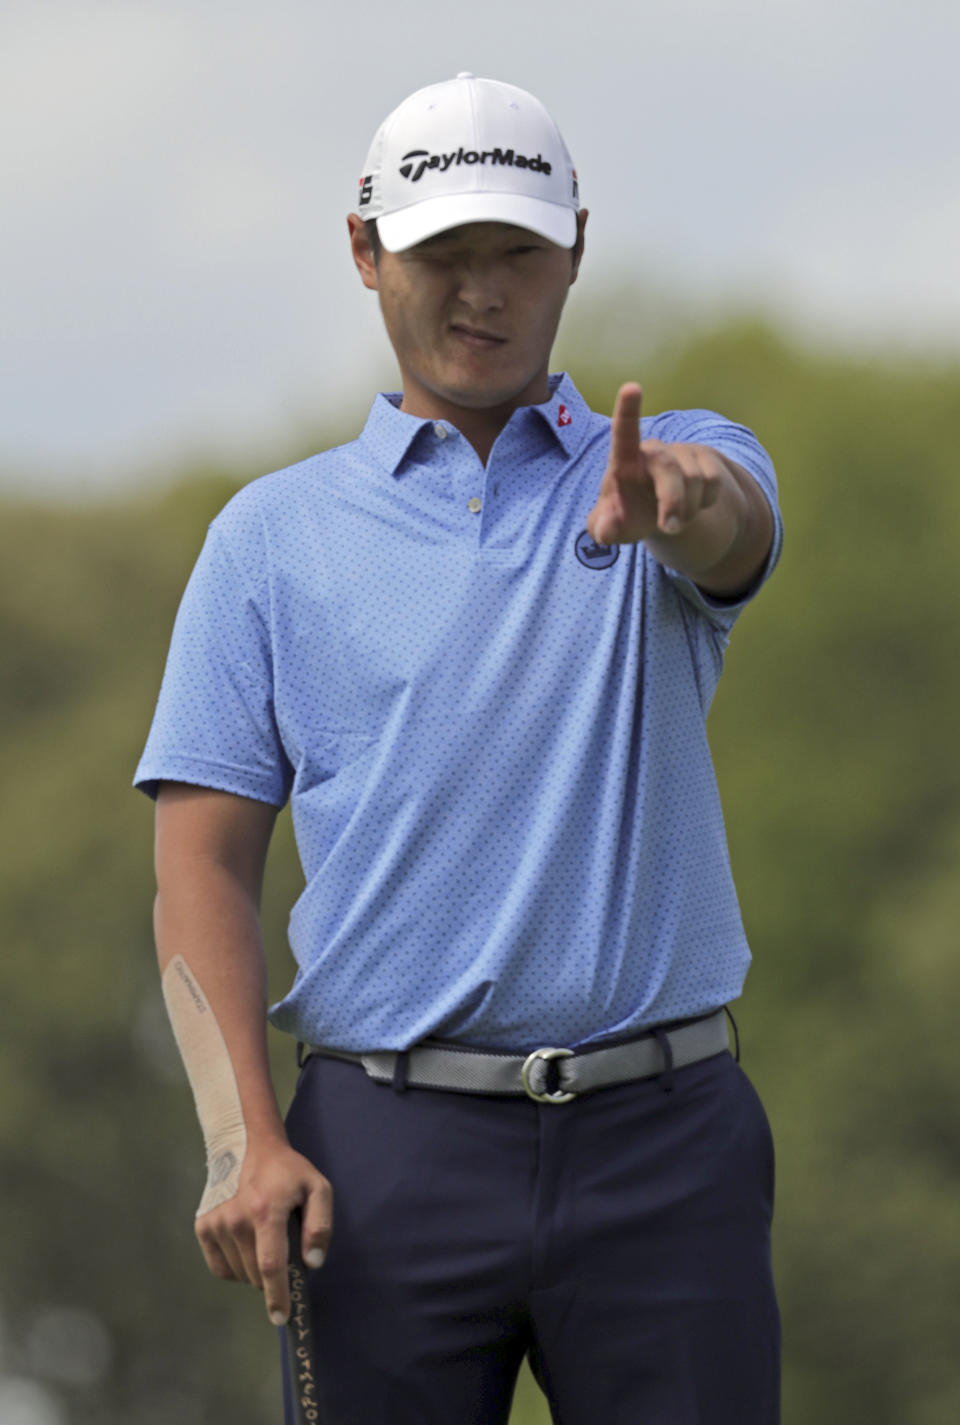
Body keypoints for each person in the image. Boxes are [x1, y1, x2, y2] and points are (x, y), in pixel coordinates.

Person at [135, 71, 783, 1425]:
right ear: (368, 252)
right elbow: (201, 865)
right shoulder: (271, 539)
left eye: (516, 253)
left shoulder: (670, 459)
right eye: (443, 254)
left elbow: (726, 522)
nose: (480, 290)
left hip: (663, 1140)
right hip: (382, 1156)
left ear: (576, 252)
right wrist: (241, 1141)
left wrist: (677, 505)